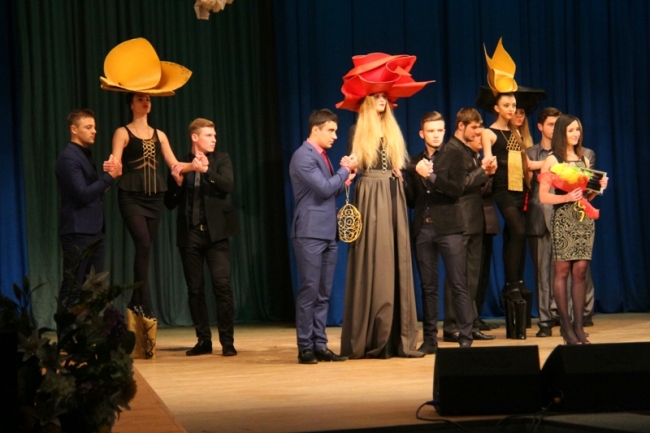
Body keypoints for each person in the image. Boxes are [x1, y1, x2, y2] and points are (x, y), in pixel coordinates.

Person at [336, 53, 432, 359]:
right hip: (370, 194)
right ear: (367, 101)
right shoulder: (357, 132)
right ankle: (372, 334)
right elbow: (355, 166)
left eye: (384, 97)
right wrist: (349, 168)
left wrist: (406, 172)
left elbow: (399, 165)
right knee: (374, 259)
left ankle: (397, 336)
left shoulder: (392, 132)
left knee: (396, 258)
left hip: (392, 194)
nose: (382, 100)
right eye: (376, 96)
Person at [164, 118, 240, 357]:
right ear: (195, 137)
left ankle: (227, 342)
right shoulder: (181, 164)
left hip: (216, 235)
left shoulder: (221, 160)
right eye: (208, 135)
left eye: (214, 135)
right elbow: (169, 203)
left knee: (222, 286)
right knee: (195, 290)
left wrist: (206, 171)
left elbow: (227, 186)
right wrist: (177, 184)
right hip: (190, 235)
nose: (214, 139)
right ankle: (203, 340)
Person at [289, 109, 356, 364]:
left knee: (323, 292)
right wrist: (344, 169)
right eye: (330, 130)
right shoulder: (303, 156)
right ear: (315, 130)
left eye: (335, 131)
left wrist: (346, 179)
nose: (335, 136)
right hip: (309, 232)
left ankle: (320, 344)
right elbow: (325, 188)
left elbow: (329, 191)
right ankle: (305, 347)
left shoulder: (321, 156)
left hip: (328, 232)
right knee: (309, 290)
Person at [539, 114, 608, 345]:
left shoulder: (583, 159)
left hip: (583, 220)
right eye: (571, 130)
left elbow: (586, 196)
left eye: (577, 129)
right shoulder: (552, 160)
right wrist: (566, 197)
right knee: (562, 272)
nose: (576, 134)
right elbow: (543, 196)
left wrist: (597, 188)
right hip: (563, 219)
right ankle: (566, 327)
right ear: (562, 132)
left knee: (580, 272)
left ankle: (579, 327)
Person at [55, 109, 121, 327]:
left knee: (93, 287)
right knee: (73, 287)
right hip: (78, 232)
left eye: (94, 127)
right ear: (74, 129)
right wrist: (108, 177)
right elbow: (82, 194)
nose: (94, 131)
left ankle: (87, 333)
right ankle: (66, 335)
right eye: (88, 127)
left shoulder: (84, 155)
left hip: (93, 230)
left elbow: (90, 192)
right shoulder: (68, 157)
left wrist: (105, 181)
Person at [441, 114, 497, 344]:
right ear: (461, 126)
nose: (478, 132)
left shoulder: (468, 150)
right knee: (457, 276)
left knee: (471, 276)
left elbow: (476, 186)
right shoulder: (452, 151)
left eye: (480, 127)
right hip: (459, 221)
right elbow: (459, 185)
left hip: (474, 220)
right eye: (474, 127)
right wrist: (482, 170)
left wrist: (487, 173)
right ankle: (452, 326)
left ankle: (468, 323)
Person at [526, 107, 562, 337]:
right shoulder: (529, 152)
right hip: (539, 217)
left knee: (564, 272)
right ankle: (545, 320)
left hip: (562, 216)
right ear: (540, 127)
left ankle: (564, 315)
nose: (554, 129)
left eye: (558, 125)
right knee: (542, 273)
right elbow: (526, 183)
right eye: (550, 124)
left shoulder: (566, 152)